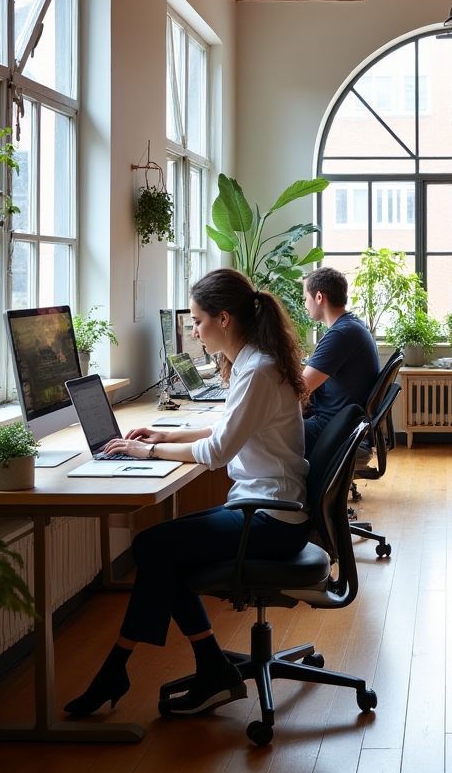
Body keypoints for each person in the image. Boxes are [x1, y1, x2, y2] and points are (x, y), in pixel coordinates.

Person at [64, 268, 312, 717]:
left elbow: (217, 451)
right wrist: (159, 438)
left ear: (223, 318)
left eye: (197, 321)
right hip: (266, 507)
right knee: (160, 550)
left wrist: (147, 454)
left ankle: (122, 668)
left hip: (271, 518)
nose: (194, 332)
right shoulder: (253, 363)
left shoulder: (256, 370)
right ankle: (199, 667)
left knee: (153, 547)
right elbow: (224, 427)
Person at [301, 267, 379, 458]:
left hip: (333, 430)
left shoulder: (341, 334)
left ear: (319, 297)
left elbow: (300, 387)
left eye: (306, 298)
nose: (305, 305)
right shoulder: (350, 326)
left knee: (263, 431)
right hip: (340, 424)